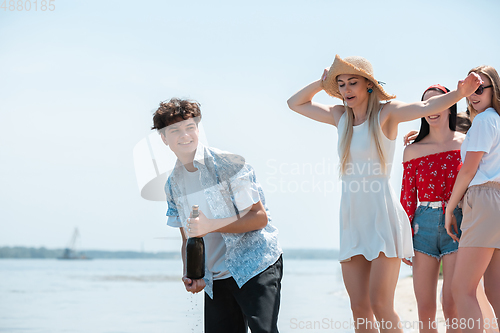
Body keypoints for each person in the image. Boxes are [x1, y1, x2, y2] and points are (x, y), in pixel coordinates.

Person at [287, 55, 481, 332]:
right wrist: (322, 83)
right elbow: (295, 103)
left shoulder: (386, 115)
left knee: (380, 305)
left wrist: (460, 93)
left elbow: (426, 105)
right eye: (341, 84)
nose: (346, 90)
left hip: (382, 215)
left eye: (352, 82)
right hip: (352, 217)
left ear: (369, 85)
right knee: (359, 309)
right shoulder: (339, 116)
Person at [151, 98, 283, 333]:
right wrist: (192, 273)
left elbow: (259, 217)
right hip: (216, 278)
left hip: (254, 264)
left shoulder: (228, 165)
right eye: (175, 130)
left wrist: (211, 225)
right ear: (163, 137)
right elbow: (188, 239)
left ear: (198, 129)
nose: (185, 135)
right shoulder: (173, 185)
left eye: (190, 127)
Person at [400, 84, 464, 333]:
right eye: (427, 104)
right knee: (425, 309)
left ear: (450, 106)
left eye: (439, 102)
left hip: (458, 223)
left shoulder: (466, 144)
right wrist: (404, 239)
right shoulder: (412, 150)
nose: (432, 108)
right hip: (421, 226)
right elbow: (407, 198)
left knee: (452, 305)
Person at [445, 65, 500, 333]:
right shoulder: (495, 120)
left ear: (494, 90)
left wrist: (450, 207)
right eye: (469, 89)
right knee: (495, 290)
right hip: (497, 200)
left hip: (484, 199)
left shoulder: (484, 120)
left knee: (461, 288)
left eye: (479, 88)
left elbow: (468, 169)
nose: (473, 94)